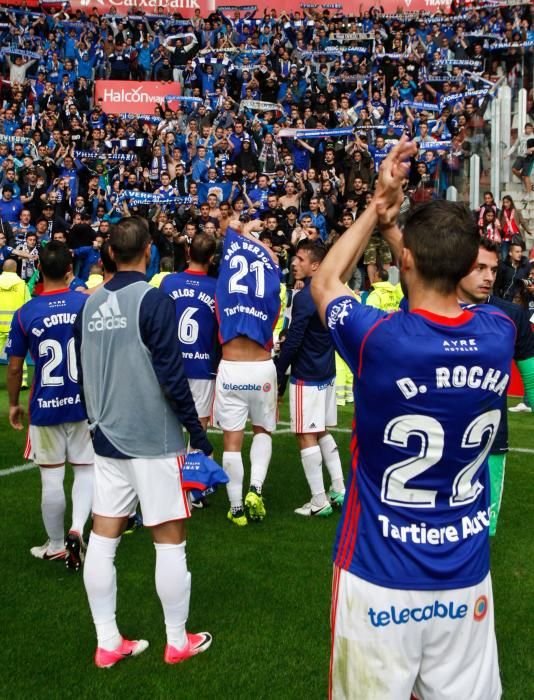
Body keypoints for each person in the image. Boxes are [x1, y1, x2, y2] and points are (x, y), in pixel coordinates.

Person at [311, 139, 515, 700]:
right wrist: (402, 232)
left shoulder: (381, 340)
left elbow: (325, 283)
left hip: (379, 576)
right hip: (465, 577)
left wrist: (378, 209)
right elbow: (436, 279)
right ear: (467, 266)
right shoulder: (497, 333)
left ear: (405, 262)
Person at [74, 216, 213, 668]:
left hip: (106, 438)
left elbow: (85, 376)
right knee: (170, 540)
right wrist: (197, 433)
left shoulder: (89, 305)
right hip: (154, 441)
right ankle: (176, 639)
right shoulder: (153, 300)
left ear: (110, 253)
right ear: (149, 250)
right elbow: (172, 377)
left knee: (104, 538)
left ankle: (107, 640)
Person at [6, 242, 94, 570]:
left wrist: (14, 404)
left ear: (39, 270)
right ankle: (77, 529)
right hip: (85, 402)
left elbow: (15, 367)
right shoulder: (88, 303)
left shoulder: (26, 312)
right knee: (86, 469)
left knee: (52, 478)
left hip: (45, 405)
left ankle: (57, 544)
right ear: (71, 270)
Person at [457, 237, 534, 536]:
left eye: (493, 269)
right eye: (479, 268)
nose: (489, 276)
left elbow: (531, 377)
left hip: (491, 441)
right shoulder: (426, 308)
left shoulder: (511, 316)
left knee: (483, 530)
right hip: (441, 437)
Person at [214, 219, 280, 526]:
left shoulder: (225, 284)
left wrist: (242, 232)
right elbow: (275, 261)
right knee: (263, 430)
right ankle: (257, 488)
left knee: (232, 442)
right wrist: (255, 239)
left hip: (231, 367)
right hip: (262, 367)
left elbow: (229, 226)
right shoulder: (271, 284)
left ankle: (236, 507)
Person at [275, 239, 345, 517]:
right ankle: (339, 487)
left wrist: (279, 371)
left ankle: (319, 501)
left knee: (305, 434)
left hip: (307, 374)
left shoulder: (307, 295)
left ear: (315, 265)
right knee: (322, 431)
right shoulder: (330, 290)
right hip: (326, 370)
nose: (294, 262)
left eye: (301, 259)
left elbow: (294, 340)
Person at [160, 234, 218, 433]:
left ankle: (174, 465)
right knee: (198, 427)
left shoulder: (169, 282)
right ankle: (195, 463)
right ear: (211, 258)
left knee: (170, 426)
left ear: (188, 253)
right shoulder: (217, 287)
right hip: (203, 365)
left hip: (172, 365)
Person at [0, 259, 30, 388]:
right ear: (15, 268)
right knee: (18, 354)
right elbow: (28, 306)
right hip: (15, 325)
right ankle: (22, 381)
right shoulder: (22, 285)